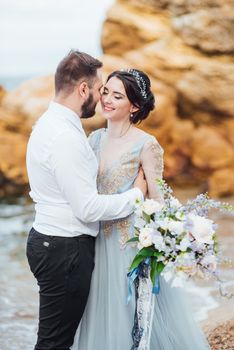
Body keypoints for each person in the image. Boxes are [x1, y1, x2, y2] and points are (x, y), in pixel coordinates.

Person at [74, 69, 210, 349]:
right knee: (96, 311)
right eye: (106, 92)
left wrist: (166, 239)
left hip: (129, 247)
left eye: (117, 96)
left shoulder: (146, 145)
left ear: (134, 106)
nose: (107, 100)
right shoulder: (94, 140)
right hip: (95, 240)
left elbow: (157, 200)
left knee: (133, 318)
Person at [26, 51, 147, 350]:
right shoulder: (65, 136)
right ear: (83, 89)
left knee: (56, 339)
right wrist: (136, 196)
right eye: (98, 90)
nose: (100, 98)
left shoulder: (50, 122)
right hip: (64, 248)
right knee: (55, 343)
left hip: (50, 241)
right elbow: (88, 207)